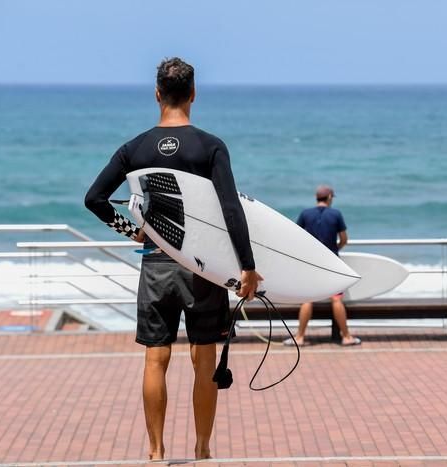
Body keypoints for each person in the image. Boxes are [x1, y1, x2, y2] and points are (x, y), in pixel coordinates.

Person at [84, 57, 262, 461]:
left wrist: (134, 231)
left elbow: (94, 199)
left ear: (157, 94)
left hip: (157, 262)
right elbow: (231, 208)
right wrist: (247, 267)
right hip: (203, 267)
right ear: (194, 94)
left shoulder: (135, 148)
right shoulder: (210, 146)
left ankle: (155, 451)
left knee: (155, 358)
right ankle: (201, 450)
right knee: (203, 359)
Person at [285, 185, 361, 346]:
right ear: (329, 198)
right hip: (331, 262)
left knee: (307, 299)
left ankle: (299, 337)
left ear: (316, 198)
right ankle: (346, 337)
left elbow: (296, 236)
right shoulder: (336, 214)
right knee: (336, 299)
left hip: (312, 262)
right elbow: (344, 239)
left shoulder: (306, 214)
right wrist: (335, 250)